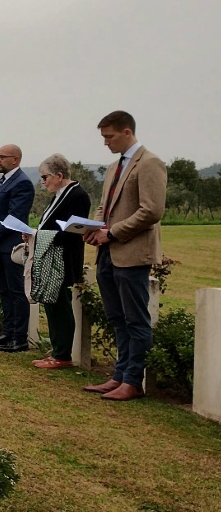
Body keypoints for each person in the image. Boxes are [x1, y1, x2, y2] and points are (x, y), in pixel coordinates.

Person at [83, 111, 166, 401]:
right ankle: (119, 375)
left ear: (127, 132)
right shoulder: (113, 167)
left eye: (110, 136)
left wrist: (113, 232)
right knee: (117, 316)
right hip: (107, 252)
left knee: (135, 319)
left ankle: (132, 381)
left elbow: (151, 210)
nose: (106, 142)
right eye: (103, 137)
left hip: (131, 251)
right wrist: (93, 228)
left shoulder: (150, 163)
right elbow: (103, 207)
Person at [26, 154, 91, 370]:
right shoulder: (59, 194)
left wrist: (38, 234)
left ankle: (62, 354)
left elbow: (74, 231)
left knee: (60, 304)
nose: (43, 182)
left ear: (59, 175)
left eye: (45, 177)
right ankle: (56, 350)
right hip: (51, 256)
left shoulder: (77, 195)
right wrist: (34, 233)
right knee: (51, 303)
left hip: (63, 258)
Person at [0, 144, 35, 353]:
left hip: (10, 244)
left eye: (2, 157)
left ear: (15, 160)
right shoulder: (0, 182)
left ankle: (19, 337)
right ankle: (8, 332)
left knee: (16, 291)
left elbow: (14, 217)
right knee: (3, 290)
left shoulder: (22, 183)